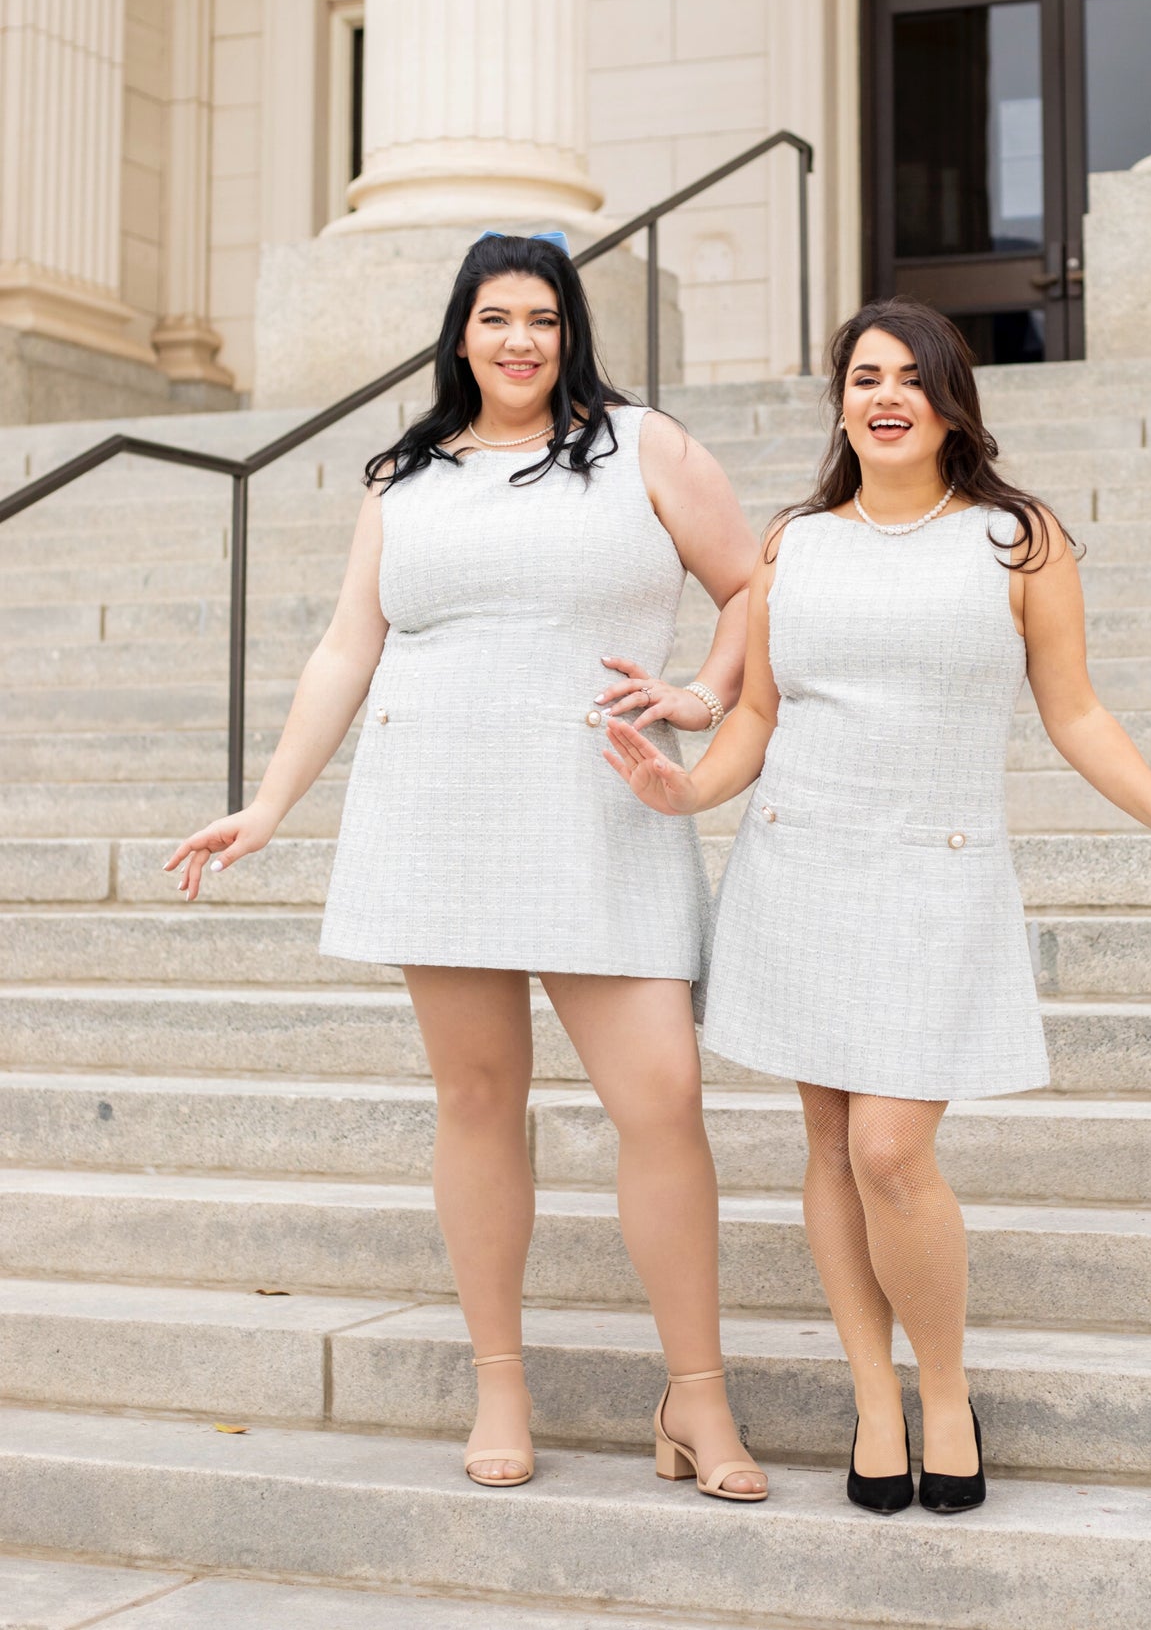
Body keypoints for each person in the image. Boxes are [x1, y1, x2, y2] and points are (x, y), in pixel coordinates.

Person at [604, 295, 1151, 1516]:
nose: (885, 394)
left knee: (888, 1149)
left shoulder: (1017, 541)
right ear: (840, 400)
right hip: (798, 865)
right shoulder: (793, 543)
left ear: (950, 399)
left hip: (936, 872)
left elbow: (1071, 710)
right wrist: (682, 789)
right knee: (824, 1146)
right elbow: (756, 714)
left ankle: (946, 1390)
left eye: (911, 375)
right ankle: (872, 1398)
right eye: (864, 374)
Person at [165, 231, 768, 1501]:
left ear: (571, 332)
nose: (518, 341)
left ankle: (698, 1396)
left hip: (601, 802)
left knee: (660, 1097)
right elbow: (346, 646)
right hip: (434, 803)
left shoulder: (643, 447)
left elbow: (755, 583)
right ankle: (500, 1377)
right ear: (459, 333)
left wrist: (704, 693)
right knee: (479, 1101)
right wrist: (271, 803)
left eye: (542, 319)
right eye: (495, 318)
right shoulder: (406, 473)